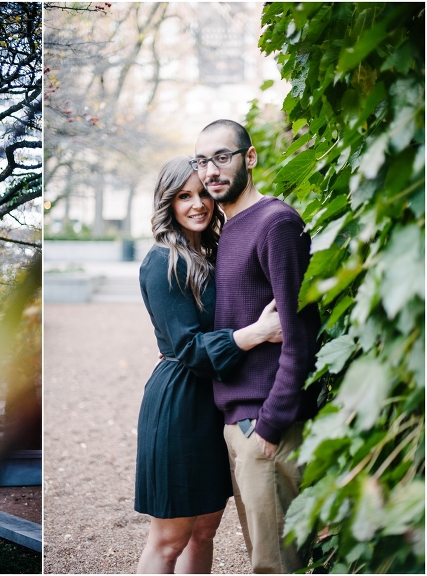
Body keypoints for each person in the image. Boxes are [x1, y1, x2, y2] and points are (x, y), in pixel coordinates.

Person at [135, 155, 284, 574]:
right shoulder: (162, 261)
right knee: (168, 539)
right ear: (168, 203)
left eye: (202, 193)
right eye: (184, 196)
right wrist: (257, 333)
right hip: (180, 404)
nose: (197, 204)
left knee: (204, 531)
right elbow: (188, 348)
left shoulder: (215, 251)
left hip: (217, 402)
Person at [192, 119, 321, 573]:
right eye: (203, 161)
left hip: (267, 423)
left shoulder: (276, 224)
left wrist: (269, 425)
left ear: (249, 158)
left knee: (278, 565)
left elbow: (299, 333)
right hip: (239, 420)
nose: (211, 170)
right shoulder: (227, 229)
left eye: (222, 157)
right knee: (261, 557)